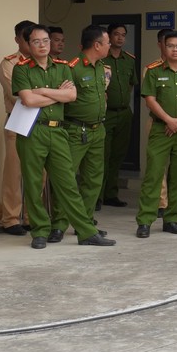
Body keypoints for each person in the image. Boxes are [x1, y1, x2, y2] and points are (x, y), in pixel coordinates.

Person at [11, 26, 93, 248]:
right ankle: (39, 231)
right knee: (33, 182)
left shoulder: (63, 68)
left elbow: (72, 95)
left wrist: (42, 92)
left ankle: (86, 231)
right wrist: (58, 95)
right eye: (36, 41)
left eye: (46, 40)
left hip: (58, 131)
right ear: (28, 44)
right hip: (32, 131)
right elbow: (28, 101)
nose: (43, 45)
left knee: (67, 182)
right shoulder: (21, 69)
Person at [132, 30, 177, 238]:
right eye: (171, 45)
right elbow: (150, 99)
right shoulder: (154, 71)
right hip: (160, 128)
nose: (175, 49)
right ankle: (145, 220)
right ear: (164, 47)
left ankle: (172, 219)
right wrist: (168, 120)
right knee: (154, 175)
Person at [62, 24, 115, 244]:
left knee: (93, 180)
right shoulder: (71, 68)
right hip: (75, 129)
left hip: (97, 130)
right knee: (66, 178)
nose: (110, 45)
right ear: (97, 45)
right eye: (108, 42)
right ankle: (58, 224)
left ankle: (85, 223)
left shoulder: (103, 67)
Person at [0, 21, 37, 235]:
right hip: (18, 119)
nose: (32, 43)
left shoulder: (47, 63)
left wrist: (37, 93)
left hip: (42, 121)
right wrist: (47, 93)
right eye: (27, 38)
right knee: (14, 171)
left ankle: (33, 217)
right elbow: (19, 94)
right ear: (18, 40)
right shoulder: (9, 63)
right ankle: (11, 219)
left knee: (39, 171)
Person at [100, 23, 138, 208]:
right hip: (105, 113)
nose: (120, 38)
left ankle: (111, 194)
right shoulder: (101, 59)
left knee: (117, 155)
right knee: (102, 155)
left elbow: (131, 83)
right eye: (116, 34)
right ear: (109, 36)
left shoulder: (129, 60)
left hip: (123, 112)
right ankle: (97, 196)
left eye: (123, 35)